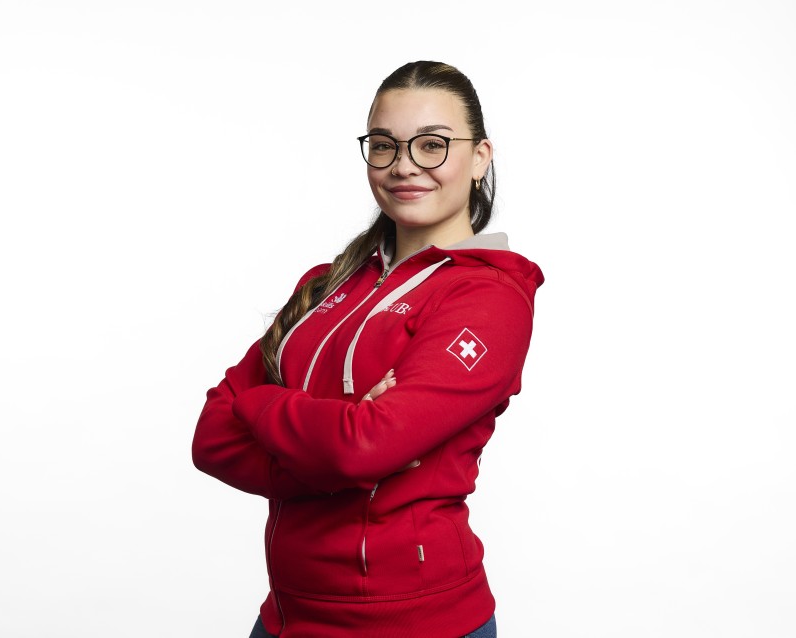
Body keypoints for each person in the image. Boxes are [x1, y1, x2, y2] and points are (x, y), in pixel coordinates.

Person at [192, 60, 544, 638]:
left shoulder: (489, 298)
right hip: (287, 616)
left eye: (432, 145)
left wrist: (259, 408)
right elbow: (211, 436)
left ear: (481, 157)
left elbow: (362, 448)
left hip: (413, 623)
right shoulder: (326, 282)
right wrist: (337, 449)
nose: (404, 165)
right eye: (384, 145)